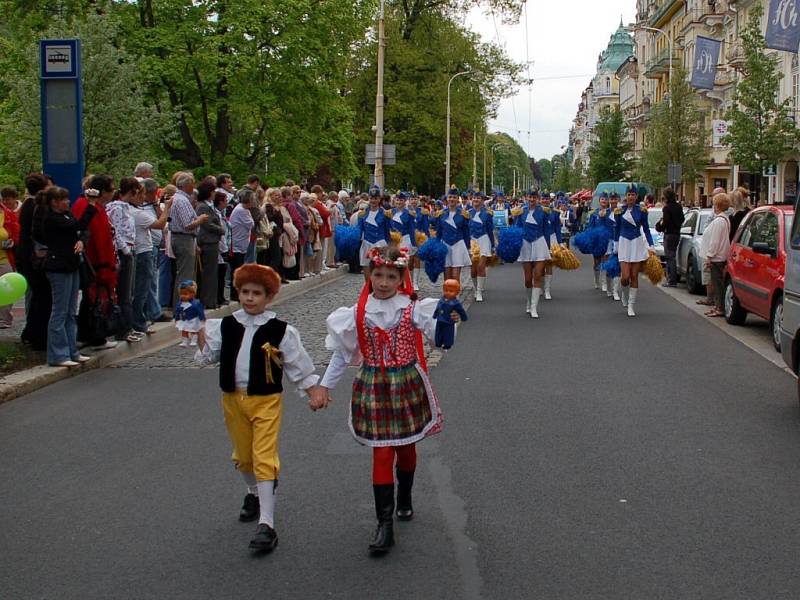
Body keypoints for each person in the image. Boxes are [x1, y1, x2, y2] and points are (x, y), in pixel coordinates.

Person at [318, 246, 452, 554]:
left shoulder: (412, 307)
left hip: (406, 382)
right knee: (381, 453)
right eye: (378, 275)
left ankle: (404, 494)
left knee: (405, 449)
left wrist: (446, 320)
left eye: (391, 276)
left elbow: (438, 340)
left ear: (401, 277)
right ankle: (384, 524)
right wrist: (325, 387)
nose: (383, 282)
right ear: (368, 274)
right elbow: (343, 353)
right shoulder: (358, 312)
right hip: (373, 384)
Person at [196, 264, 322, 552]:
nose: (250, 298)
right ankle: (252, 492)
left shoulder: (280, 331)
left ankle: (267, 524)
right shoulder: (226, 325)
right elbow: (207, 358)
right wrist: (201, 338)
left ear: (269, 297)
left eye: (257, 293)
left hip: (266, 400)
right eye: (245, 292)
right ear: (238, 293)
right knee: (242, 456)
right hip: (232, 399)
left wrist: (313, 389)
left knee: (263, 455)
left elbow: (296, 363)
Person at [38, 186, 98, 366]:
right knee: (60, 311)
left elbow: (77, 232)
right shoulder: (51, 218)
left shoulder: (66, 215)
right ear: (54, 202)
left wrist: (80, 240)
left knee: (71, 312)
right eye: (64, 199)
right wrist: (91, 205)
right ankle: (58, 354)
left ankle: (72, 350)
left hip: (72, 264)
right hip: (59, 266)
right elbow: (77, 226)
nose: (68, 202)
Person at [73, 175, 120, 350]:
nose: (113, 192)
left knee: (91, 300)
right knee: (94, 300)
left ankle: (89, 334)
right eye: (111, 189)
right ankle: (94, 335)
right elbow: (99, 238)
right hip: (96, 261)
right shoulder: (92, 208)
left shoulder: (88, 206)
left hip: (94, 260)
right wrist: (106, 264)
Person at [130, 180, 171, 336]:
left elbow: (166, 223)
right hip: (144, 250)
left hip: (151, 247)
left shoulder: (148, 208)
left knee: (149, 283)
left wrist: (157, 206)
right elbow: (161, 224)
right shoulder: (138, 212)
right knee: (142, 287)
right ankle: (144, 318)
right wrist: (167, 207)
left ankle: (150, 313)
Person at [18, 174, 51, 350]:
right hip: (35, 259)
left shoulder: (26, 206)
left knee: (38, 296)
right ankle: (37, 335)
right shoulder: (35, 207)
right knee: (41, 297)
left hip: (28, 257)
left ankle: (32, 331)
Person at [107, 177, 141, 343]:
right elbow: (116, 230)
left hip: (130, 248)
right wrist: (125, 250)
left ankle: (128, 325)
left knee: (129, 291)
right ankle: (124, 327)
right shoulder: (117, 208)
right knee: (124, 292)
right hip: (124, 251)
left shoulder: (126, 207)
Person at [614, 185, 655, 317]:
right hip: (624, 243)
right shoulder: (619, 211)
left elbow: (647, 229)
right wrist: (615, 244)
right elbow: (617, 228)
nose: (631, 197)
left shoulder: (642, 211)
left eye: (633, 194)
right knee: (625, 277)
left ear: (637, 196)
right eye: (629, 194)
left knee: (634, 276)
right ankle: (624, 294)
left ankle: (631, 305)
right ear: (625, 196)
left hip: (637, 243)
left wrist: (651, 245)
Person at [169, 173, 208, 306]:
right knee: (185, 275)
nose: (194, 186)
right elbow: (187, 224)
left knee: (183, 273)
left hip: (180, 238)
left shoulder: (177, 198)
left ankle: (182, 304)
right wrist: (200, 219)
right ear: (186, 185)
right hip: (183, 238)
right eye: (192, 183)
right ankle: (182, 305)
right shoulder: (182, 200)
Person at [512, 190, 551, 319]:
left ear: (538, 198)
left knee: (538, 275)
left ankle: (534, 307)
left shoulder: (544, 211)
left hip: (539, 243)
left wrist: (549, 248)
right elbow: (517, 230)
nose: (532, 199)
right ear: (526, 198)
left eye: (534, 197)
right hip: (525, 244)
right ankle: (529, 301)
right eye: (530, 197)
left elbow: (546, 230)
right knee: (528, 279)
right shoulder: (521, 211)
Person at [700, 193, 732, 318]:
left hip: (717, 257)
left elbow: (715, 241)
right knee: (716, 282)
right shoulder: (722, 219)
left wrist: (709, 256)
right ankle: (718, 306)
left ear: (718, 205)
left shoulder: (719, 221)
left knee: (717, 284)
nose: (713, 206)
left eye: (714, 204)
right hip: (719, 256)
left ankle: (720, 307)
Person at [195, 178, 224, 309]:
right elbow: (207, 224)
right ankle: (207, 300)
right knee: (209, 274)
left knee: (212, 273)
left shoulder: (207, 206)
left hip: (212, 241)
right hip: (208, 241)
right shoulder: (202, 206)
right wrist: (221, 229)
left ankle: (210, 300)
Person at [432, 189, 471, 283]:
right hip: (445, 244)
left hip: (458, 244)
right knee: (447, 275)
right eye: (450, 197)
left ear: (458, 199)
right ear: (447, 198)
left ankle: (455, 296)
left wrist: (468, 247)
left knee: (455, 274)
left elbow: (466, 232)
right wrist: (436, 247)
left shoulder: (463, 214)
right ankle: (447, 296)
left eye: (454, 197)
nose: (452, 199)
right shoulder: (440, 214)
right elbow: (438, 232)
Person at [356, 186, 391, 282]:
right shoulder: (362, 214)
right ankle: (368, 294)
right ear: (369, 199)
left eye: (376, 198)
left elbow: (388, 232)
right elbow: (359, 232)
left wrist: (389, 247)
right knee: (367, 276)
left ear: (379, 199)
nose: (373, 200)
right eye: (371, 198)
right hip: (366, 244)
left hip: (380, 244)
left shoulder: (385, 214)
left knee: (380, 274)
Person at [228, 188, 255, 301]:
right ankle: (235, 294)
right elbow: (251, 224)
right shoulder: (241, 210)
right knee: (237, 269)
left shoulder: (245, 210)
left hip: (242, 243)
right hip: (237, 244)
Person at [468, 192, 494, 302]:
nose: (476, 200)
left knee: (481, 266)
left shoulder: (487, 214)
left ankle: (479, 291)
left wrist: (493, 245)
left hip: (483, 239)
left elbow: (490, 230)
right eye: (474, 198)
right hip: (472, 241)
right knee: (473, 270)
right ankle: (475, 288)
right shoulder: (467, 213)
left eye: (478, 198)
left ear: (482, 200)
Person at [0, 187, 21, 328]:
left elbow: (16, 234)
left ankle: (4, 318)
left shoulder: (7, 214)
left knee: (7, 286)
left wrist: (12, 241)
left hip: (4, 256)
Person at [659, 187, 684, 287]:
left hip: (669, 234)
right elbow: (682, 219)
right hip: (676, 233)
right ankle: (671, 278)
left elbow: (665, 222)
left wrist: (660, 226)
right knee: (672, 256)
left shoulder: (667, 208)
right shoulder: (678, 207)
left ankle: (671, 280)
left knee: (670, 257)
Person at [540, 194, 562, 301]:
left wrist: (560, 242)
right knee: (539, 264)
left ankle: (547, 290)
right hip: (539, 238)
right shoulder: (537, 211)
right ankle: (540, 286)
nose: (545, 201)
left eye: (547, 199)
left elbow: (557, 228)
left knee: (549, 264)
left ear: (550, 200)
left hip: (552, 239)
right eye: (543, 199)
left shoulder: (555, 212)